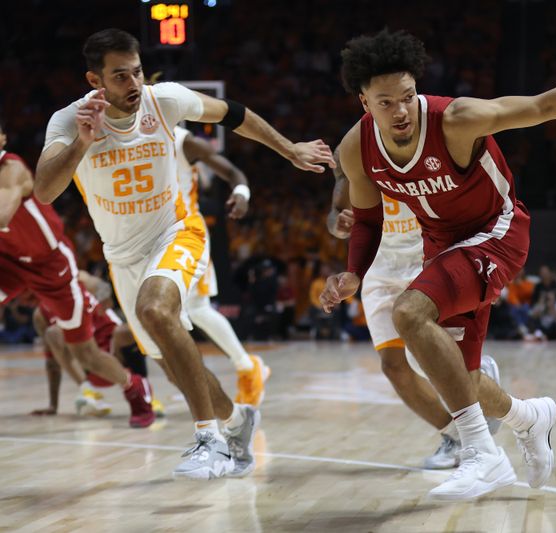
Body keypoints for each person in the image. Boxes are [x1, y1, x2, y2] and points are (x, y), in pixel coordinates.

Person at [320, 28, 556, 499]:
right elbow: (366, 219)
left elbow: (543, 106)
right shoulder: (355, 149)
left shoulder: (456, 119)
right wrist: (353, 273)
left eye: (407, 96)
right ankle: (530, 417)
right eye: (386, 103)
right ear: (364, 102)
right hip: (443, 246)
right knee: (455, 377)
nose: (400, 111)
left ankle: (483, 456)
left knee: (408, 313)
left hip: (497, 233)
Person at [35, 29, 334, 480]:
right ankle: (236, 422)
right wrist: (81, 142)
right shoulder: (67, 121)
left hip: (177, 231)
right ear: (95, 79)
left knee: (157, 310)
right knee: (172, 366)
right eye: (120, 77)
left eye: (136, 72)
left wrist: (288, 148)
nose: (134, 83)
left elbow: (234, 115)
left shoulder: (165, 100)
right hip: (122, 257)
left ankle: (208, 439)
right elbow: (43, 190)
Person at [327, 146, 503, 470]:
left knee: (424, 358)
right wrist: (339, 224)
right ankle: (455, 436)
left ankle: (483, 388)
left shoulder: (417, 138)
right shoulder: (349, 152)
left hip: (423, 251)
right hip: (379, 265)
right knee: (393, 367)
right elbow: (334, 215)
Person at [0, 119, 154, 427]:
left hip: (50, 264)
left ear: (2, 138)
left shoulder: (11, 168)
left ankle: (134, 387)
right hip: (9, 261)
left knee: (84, 352)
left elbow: (2, 214)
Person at [174, 126, 269, 406]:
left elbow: (214, 178)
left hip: (185, 234)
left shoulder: (182, 140)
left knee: (193, 309)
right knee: (189, 311)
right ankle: (245, 366)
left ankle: (244, 368)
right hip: (147, 237)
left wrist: (240, 192)